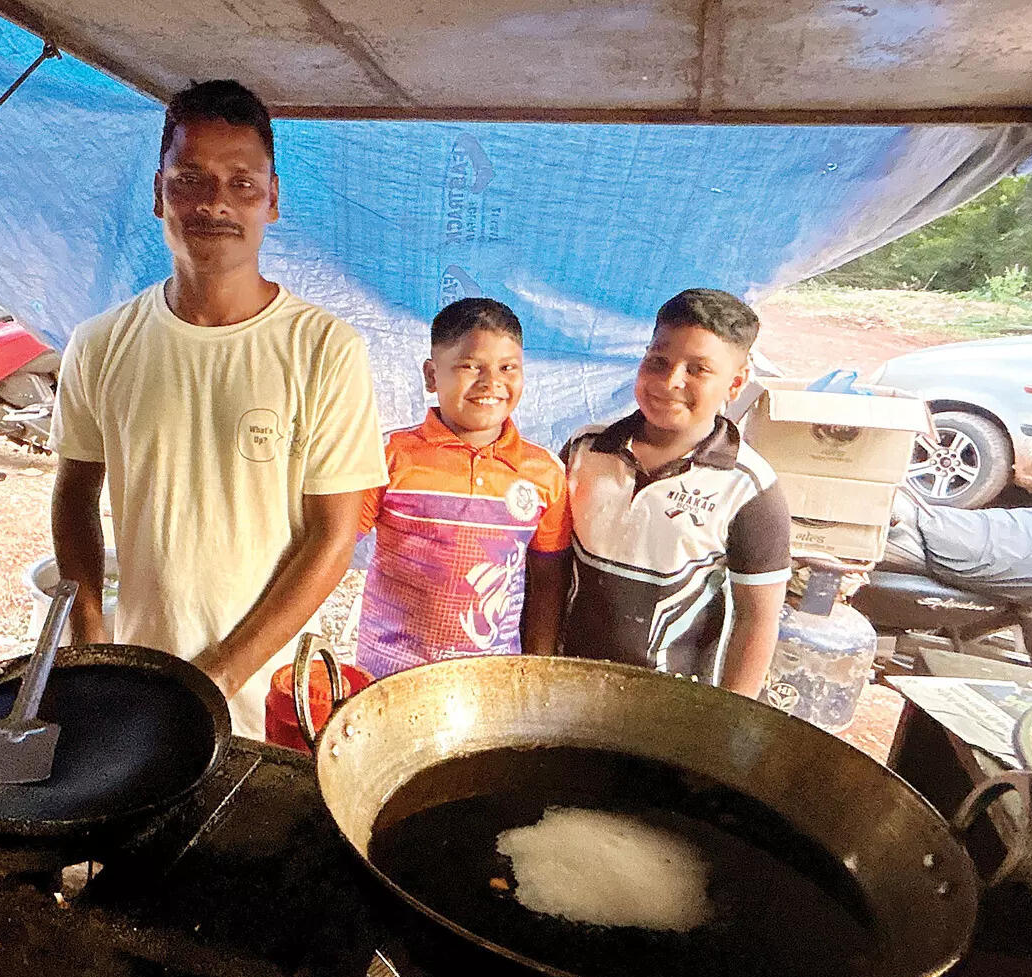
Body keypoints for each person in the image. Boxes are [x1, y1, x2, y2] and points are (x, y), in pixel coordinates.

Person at [49, 80, 387, 738]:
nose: (214, 204)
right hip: (140, 679)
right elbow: (73, 493)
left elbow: (333, 538)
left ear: (273, 199)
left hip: (271, 697)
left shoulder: (325, 350)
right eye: (191, 179)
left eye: (241, 182)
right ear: (158, 193)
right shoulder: (100, 345)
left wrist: (220, 675)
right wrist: (90, 634)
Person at [561, 288, 789, 697]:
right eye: (658, 361)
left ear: (735, 384)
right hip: (566, 686)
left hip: (671, 711)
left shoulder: (749, 489)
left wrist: (733, 720)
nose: (670, 381)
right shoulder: (584, 450)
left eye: (698, 369)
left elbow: (757, 620)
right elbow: (551, 568)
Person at [355, 298, 571, 678]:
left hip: (489, 686)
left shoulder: (544, 473)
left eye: (508, 368)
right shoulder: (387, 457)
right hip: (387, 677)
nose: (492, 384)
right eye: (471, 366)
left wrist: (536, 672)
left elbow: (548, 584)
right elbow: (333, 546)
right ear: (431, 375)